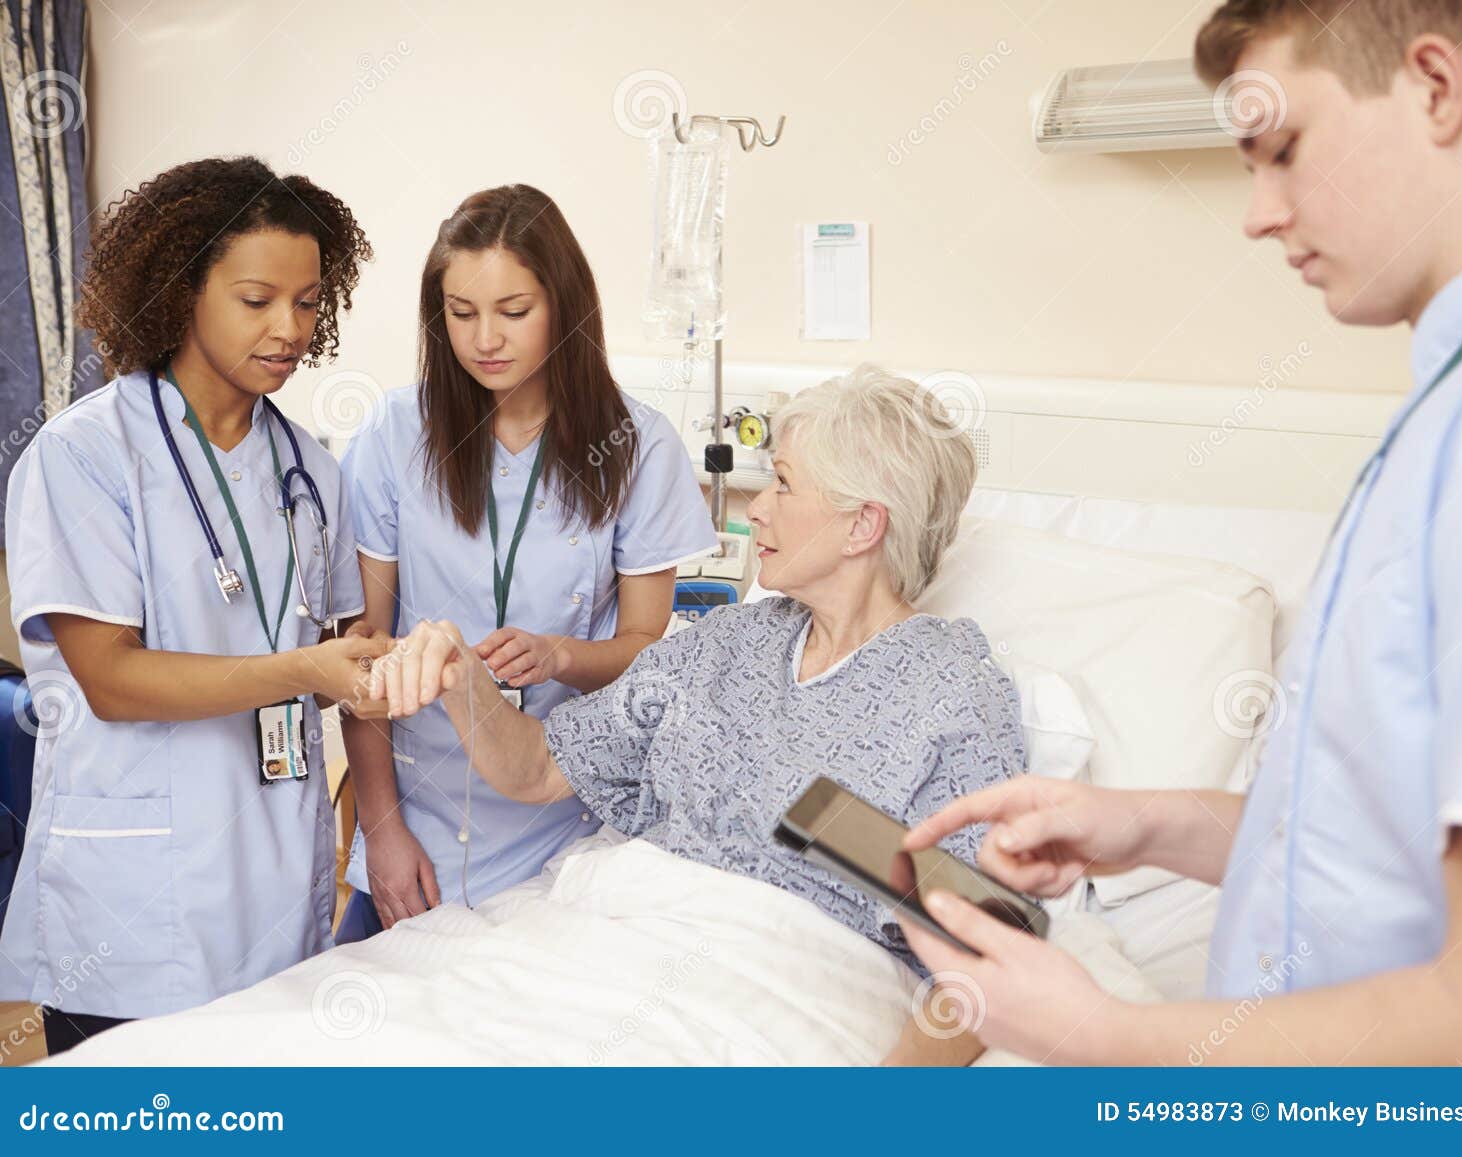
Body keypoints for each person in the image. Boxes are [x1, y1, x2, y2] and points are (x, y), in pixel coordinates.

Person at [901, 0, 1462, 1066]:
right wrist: (1149, 824)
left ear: (1436, 87)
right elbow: (1386, 850)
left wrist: (1104, 1036)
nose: (1258, 213)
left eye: (1282, 149)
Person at [362, 366, 1022, 1064]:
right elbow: (535, 767)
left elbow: (988, 945)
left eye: (783, 484)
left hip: (773, 987)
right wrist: (463, 678)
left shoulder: (948, 686)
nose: (756, 507)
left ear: (863, 524)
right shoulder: (729, 641)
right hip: (607, 943)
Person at [0, 156, 385, 1053]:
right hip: (135, 897)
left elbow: (325, 650)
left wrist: (378, 661)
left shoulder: (312, 471)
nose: (289, 328)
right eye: (258, 300)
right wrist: (307, 668)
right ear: (182, 292)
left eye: (307, 302)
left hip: (271, 874)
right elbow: (111, 679)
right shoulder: (86, 455)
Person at [334, 185, 718, 939]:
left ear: (563, 303)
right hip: (416, 821)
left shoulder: (638, 447)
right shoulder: (393, 433)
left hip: (562, 836)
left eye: (514, 311)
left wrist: (559, 655)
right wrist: (381, 832)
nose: (485, 339)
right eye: (460, 312)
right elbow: (361, 656)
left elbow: (647, 651)